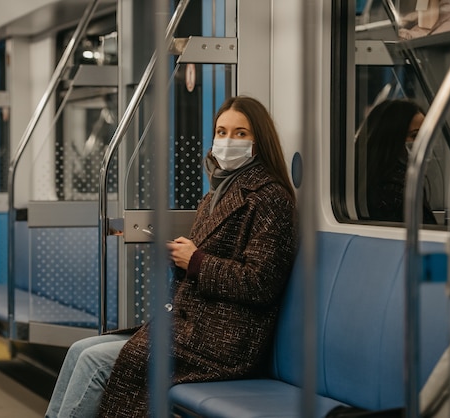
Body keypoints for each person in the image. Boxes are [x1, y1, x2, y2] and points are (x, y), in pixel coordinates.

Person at [44, 95, 298, 418]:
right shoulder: (215, 194)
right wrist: (182, 257)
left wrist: (195, 261)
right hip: (194, 327)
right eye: (221, 132)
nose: (228, 141)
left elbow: (261, 282)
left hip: (226, 341)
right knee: (79, 349)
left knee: (95, 361)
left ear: (258, 142)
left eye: (240, 133)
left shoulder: (270, 198)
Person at [358, 98, 437, 224]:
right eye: (415, 136)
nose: (424, 143)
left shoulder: (371, 180)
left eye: (426, 136)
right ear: (391, 140)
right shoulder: (397, 190)